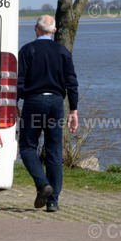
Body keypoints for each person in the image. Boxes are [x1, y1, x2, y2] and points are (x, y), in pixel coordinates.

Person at [17, 14, 79, 212]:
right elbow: (71, 82)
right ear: (53, 31)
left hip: (34, 102)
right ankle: (53, 201)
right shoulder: (62, 51)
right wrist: (74, 110)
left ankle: (42, 183)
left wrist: (13, 104)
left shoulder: (28, 50)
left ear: (36, 29)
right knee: (53, 151)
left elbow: (19, 81)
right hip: (55, 103)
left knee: (27, 147)